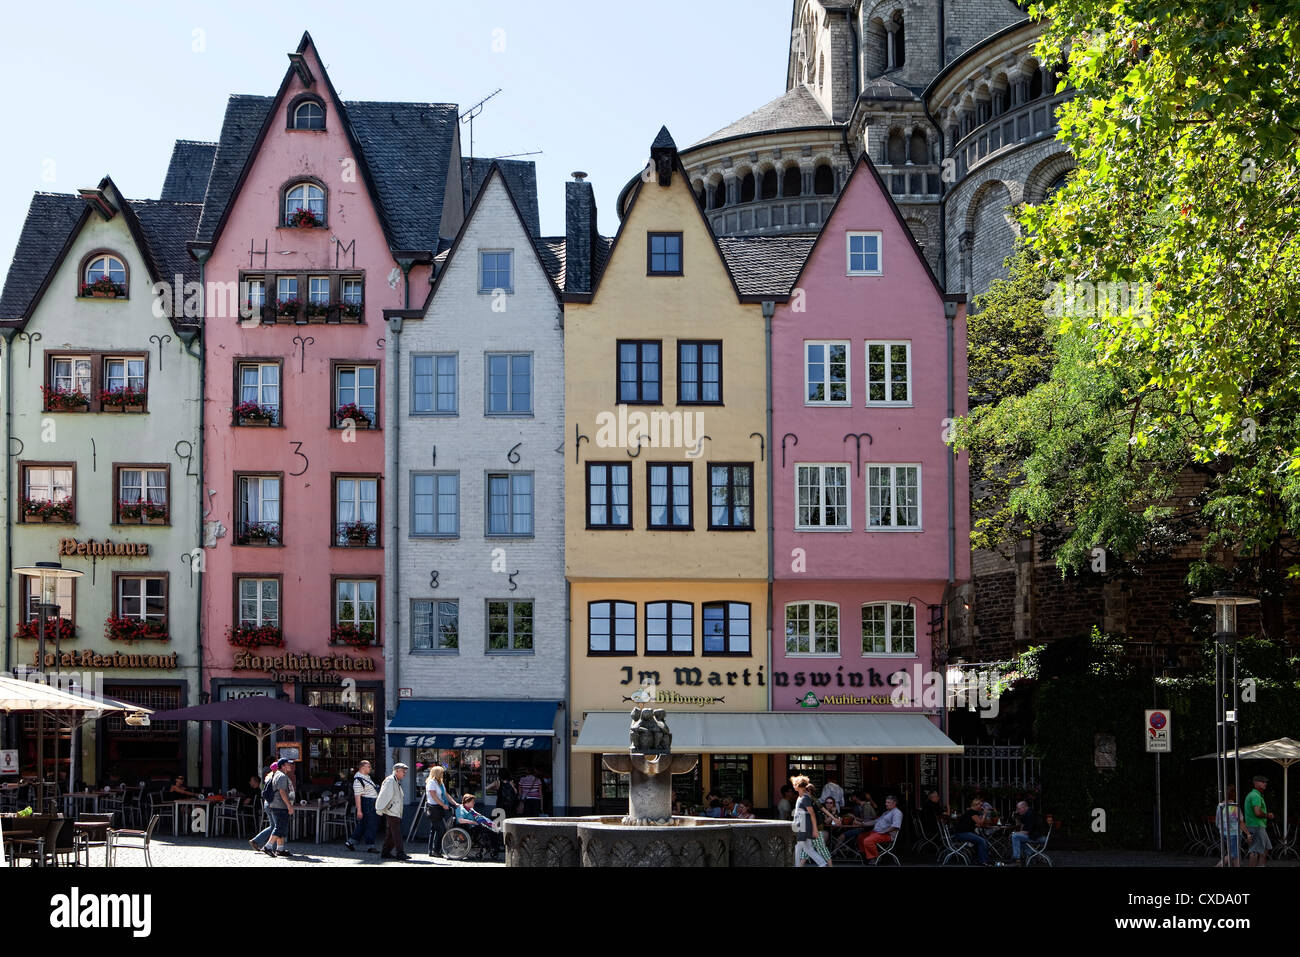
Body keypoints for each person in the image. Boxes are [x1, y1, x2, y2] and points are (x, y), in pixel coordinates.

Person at [791, 775, 829, 867]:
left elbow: (812, 814)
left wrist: (815, 829)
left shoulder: (805, 797)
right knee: (801, 847)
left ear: (799, 786)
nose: (793, 786)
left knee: (805, 848)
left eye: (795, 784)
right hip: (801, 825)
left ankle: (822, 864)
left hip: (804, 826)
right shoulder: (802, 797)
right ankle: (822, 864)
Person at [376, 762, 411, 861]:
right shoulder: (390, 781)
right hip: (392, 811)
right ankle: (400, 853)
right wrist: (379, 809)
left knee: (391, 834)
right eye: (403, 771)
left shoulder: (394, 780)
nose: (405, 773)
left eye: (405, 771)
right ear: (397, 771)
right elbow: (384, 796)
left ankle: (385, 852)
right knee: (397, 833)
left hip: (394, 810)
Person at [261, 758, 296, 858]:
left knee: (281, 827)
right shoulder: (281, 776)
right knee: (279, 827)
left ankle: (280, 849)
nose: (290, 765)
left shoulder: (277, 774)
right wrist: (289, 805)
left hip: (276, 805)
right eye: (288, 764)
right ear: (283, 766)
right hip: (280, 805)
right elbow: (282, 792)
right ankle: (268, 846)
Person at [345, 759, 380, 853]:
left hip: (371, 802)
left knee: (364, 824)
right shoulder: (358, 780)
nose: (370, 768)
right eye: (369, 766)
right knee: (371, 824)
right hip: (368, 803)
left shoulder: (366, 777)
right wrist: (359, 810)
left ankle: (350, 842)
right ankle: (370, 846)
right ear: (363, 767)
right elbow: (357, 796)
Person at [858, 795, 903, 861]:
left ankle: (874, 858)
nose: (886, 804)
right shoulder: (886, 812)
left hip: (887, 835)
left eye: (888, 803)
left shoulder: (897, 813)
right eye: (886, 802)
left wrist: (884, 831)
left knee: (867, 841)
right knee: (861, 837)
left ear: (894, 803)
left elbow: (895, 826)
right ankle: (864, 855)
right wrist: (862, 824)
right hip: (877, 832)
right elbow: (875, 821)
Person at [1215, 787, 1249, 868]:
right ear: (1235, 795)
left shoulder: (1220, 806)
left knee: (1235, 855)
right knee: (1232, 854)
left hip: (1223, 833)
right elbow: (1241, 823)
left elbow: (1217, 821)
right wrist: (1248, 834)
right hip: (1234, 834)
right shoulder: (1234, 808)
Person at [954, 796, 993, 865]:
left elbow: (975, 824)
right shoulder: (972, 812)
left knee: (982, 840)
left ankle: (983, 859)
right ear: (976, 805)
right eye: (981, 805)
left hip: (963, 832)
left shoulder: (971, 812)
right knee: (981, 841)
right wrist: (984, 814)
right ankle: (983, 861)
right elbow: (980, 823)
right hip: (962, 833)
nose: (981, 807)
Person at [1244, 775, 1274, 867]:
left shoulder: (1255, 795)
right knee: (1255, 850)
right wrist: (1267, 815)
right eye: (1262, 782)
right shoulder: (1255, 795)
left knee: (1265, 849)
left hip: (1258, 826)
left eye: (1265, 782)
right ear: (1256, 783)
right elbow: (1257, 812)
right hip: (1256, 826)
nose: (1265, 784)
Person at [425, 764, 454, 858]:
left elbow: (446, 795)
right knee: (441, 829)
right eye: (441, 772)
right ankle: (435, 850)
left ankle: (432, 851)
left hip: (439, 808)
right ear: (437, 773)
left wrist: (455, 803)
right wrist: (443, 805)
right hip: (433, 808)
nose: (443, 774)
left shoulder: (440, 783)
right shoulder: (431, 782)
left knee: (434, 830)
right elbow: (433, 796)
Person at [249, 762, 279, 852]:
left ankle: (256, 841)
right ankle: (271, 847)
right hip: (273, 804)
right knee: (277, 826)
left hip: (268, 804)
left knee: (273, 825)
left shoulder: (268, 777)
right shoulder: (277, 777)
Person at [1010, 800, 1043, 864]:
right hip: (1034, 835)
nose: (1018, 811)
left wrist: (1015, 833)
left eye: (1019, 809)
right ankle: (1034, 855)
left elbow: (1027, 831)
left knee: (1015, 836)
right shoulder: (1027, 813)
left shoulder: (1030, 814)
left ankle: (1016, 858)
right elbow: (1022, 826)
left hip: (1038, 837)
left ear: (1024, 807)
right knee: (1019, 839)